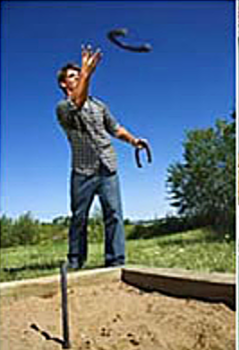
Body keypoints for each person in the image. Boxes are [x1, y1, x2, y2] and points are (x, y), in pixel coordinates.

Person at [56, 45, 146, 268]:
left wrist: (134, 140)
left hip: (108, 168)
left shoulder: (99, 105)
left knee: (114, 215)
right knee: (79, 218)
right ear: (63, 84)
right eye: (72, 77)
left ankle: (116, 262)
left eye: (79, 75)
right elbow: (77, 102)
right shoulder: (62, 108)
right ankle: (76, 262)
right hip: (82, 171)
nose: (77, 78)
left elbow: (116, 128)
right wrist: (87, 72)